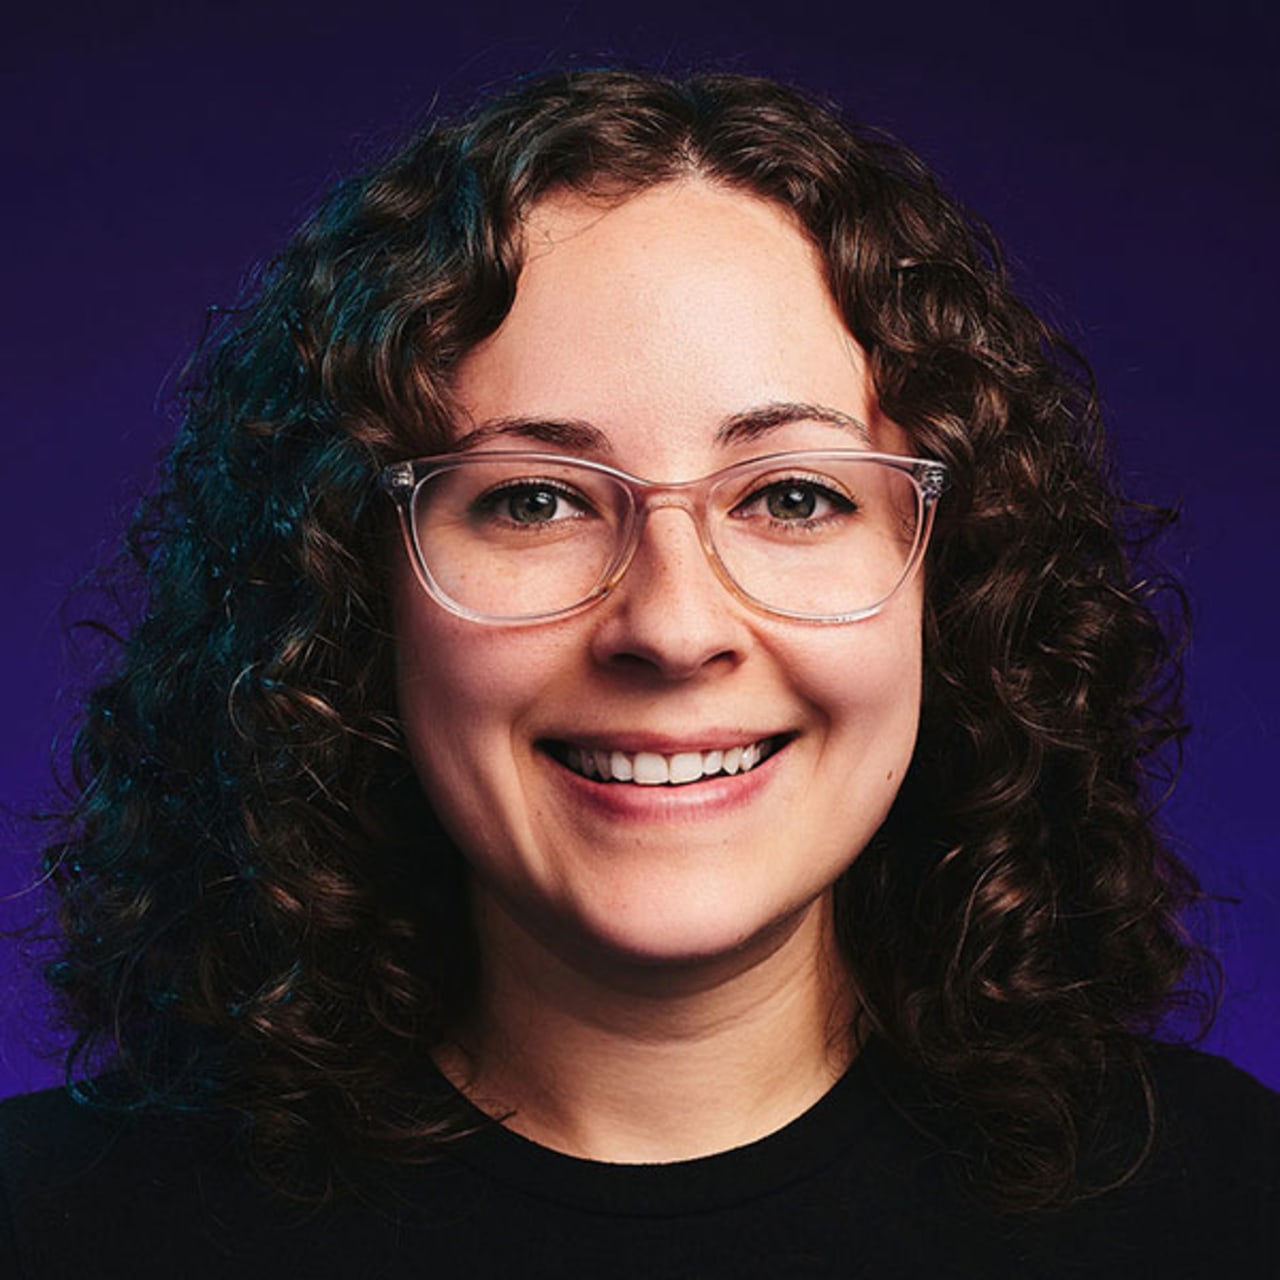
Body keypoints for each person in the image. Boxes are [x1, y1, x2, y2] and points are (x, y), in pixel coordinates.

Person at [0, 67, 1275, 1278]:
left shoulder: (1222, 1207)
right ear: (351, 591)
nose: (669, 627)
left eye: (790, 493)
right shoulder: (52, 1225)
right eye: (537, 497)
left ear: (954, 584)